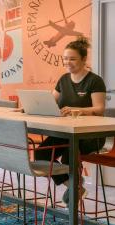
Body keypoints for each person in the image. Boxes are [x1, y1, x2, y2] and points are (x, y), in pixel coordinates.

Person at [34, 36, 106, 206]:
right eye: (65, 58)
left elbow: (99, 109)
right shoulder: (63, 80)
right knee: (41, 153)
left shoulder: (94, 81)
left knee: (68, 155)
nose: (68, 62)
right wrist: (33, 107)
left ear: (83, 59)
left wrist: (79, 110)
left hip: (89, 136)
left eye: (72, 59)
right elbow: (51, 102)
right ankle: (74, 186)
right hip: (66, 133)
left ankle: (73, 191)